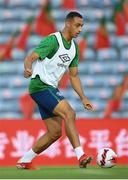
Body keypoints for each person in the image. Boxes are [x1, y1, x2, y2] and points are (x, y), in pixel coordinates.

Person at [16, 11, 93, 170]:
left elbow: (74, 76)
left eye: (82, 26)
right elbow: (30, 57)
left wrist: (83, 97)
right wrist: (28, 68)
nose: (80, 29)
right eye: (77, 25)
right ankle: (81, 156)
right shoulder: (53, 41)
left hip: (49, 88)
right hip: (40, 85)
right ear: (68, 24)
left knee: (55, 132)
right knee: (69, 113)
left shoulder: (74, 49)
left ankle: (24, 161)